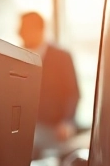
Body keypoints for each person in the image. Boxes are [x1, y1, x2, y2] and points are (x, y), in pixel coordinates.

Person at [18, 11, 80, 156]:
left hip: (54, 129)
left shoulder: (62, 56)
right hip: (28, 127)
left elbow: (73, 92)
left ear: (39, 30)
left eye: (23, 29)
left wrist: (67, 121)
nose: (19, 33)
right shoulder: (18, 56)